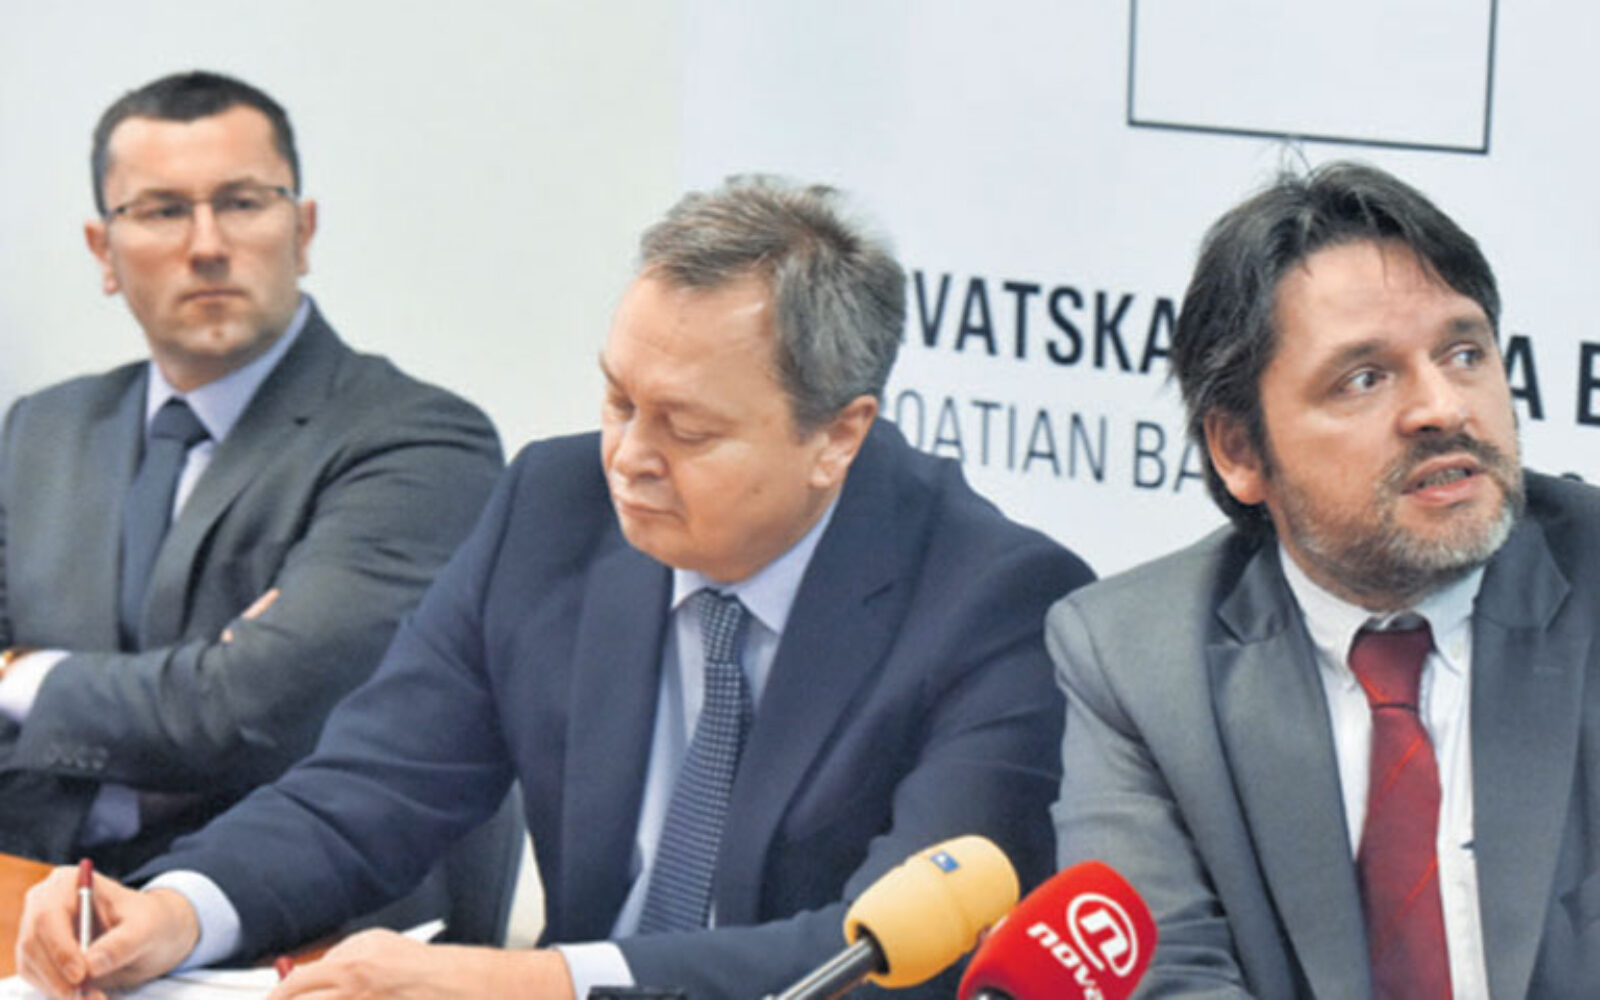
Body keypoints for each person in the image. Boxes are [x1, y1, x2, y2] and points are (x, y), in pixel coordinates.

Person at [15, 175, 1094, 1000]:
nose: (628, 457)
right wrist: (177, 910)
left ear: (838, 436)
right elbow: (374, 785)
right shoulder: (555, 504)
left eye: (687, 429)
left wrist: (538, 981)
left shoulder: (996, 606)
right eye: (619, 400)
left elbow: (892, 954)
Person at [1049, 160, 1598, 997]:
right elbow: (1167, 977)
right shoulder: (1136, 661)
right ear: (1239, 450)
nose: (1443, 407)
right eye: (1365, 379)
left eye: (1463, 353)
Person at [0, 71, 502, 875]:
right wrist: (180, 703)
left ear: (303, 232)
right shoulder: (43, 430)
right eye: (163, 210)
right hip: (39, 892)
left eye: (241, 202)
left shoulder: (420, 442)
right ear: (103, 251)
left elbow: (248, 711)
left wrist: (21, 673)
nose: (206, 245)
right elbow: (216, 711)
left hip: (304, 917)